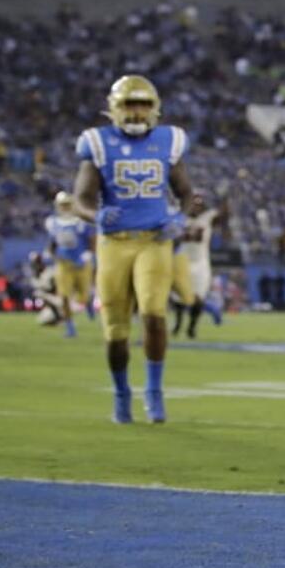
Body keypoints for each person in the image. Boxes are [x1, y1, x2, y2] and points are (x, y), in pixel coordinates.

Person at [73, 75, 192, 424]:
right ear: (115, 108)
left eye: (143, 104)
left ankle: (154, 391)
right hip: (114, 243)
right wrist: (95, 214)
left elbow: (186, 192)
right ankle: (122, 391)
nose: (137, 112)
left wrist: (181, 218)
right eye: (129, 104)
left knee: (154, 314)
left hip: (155, 240)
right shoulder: (97, 143)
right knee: (116, 331)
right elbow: (80, 197)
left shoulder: (169, 141)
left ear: (154, 108)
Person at [172, 194, 226, 338]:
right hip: (182, 259)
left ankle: (191, 327)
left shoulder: (207, 218)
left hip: (200, 261)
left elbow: (223, 216)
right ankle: (177, 325)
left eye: (199, 205)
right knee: (178, 297)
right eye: (193, 204)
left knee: (199, 297)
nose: (195, 207)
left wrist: (225, 198)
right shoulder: (179, 217)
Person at [45, 190, 96, 335]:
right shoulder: (53, 222)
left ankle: (88, 302)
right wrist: (48, 252)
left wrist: (89, 254)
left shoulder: (81, 223)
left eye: (67, 204)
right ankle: (70, 326)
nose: (65, 207)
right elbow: (52, 242)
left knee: (83, 295)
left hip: (81, 263)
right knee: (64, 296)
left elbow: (92, 240)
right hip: (63, 262)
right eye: (62, 205)